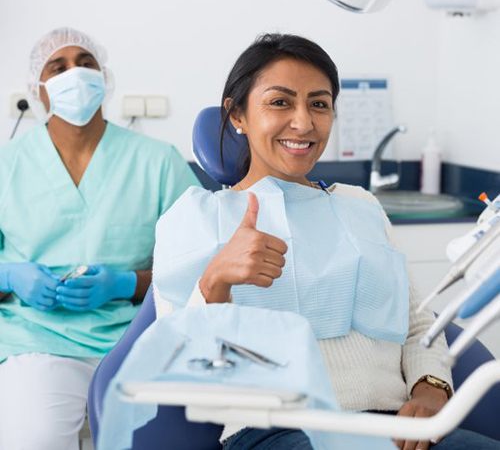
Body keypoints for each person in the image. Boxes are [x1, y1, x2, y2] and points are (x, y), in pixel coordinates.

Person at [152, 34, 500, 449]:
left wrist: (430, 390)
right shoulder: (195, 219)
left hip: (396, 428)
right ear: (237, 115)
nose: (303, 122)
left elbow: (417, 321)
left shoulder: (360, 206)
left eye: (318, 104)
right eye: (280, 102)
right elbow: (179, 364)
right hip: (274, 432)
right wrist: (215, 284)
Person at [0, 27, 200, 450]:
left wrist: (127, 284)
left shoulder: (157, 162)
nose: (75, 73)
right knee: (34, 437)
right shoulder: (7, 165)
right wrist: (10, 278)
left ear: (103, 77)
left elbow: (199, 267)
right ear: (39, 89)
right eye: (58, 66)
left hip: (138, 336)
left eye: (86, 63)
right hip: (39, 340)